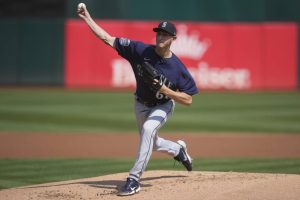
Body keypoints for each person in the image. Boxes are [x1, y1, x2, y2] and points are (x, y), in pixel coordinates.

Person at [77, 5, 198, 196]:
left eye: (165, 34)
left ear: (173, 39)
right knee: (151, 141)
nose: (160, 36)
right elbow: (107, 39)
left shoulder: (178, 68)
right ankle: (178, 150)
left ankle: (134, 179)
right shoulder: (140, 51)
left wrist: (166, 90)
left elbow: (188, 99)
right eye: (159, 32)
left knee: (149, 130)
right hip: (140, 104)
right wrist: (87, 18)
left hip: (163, 105)